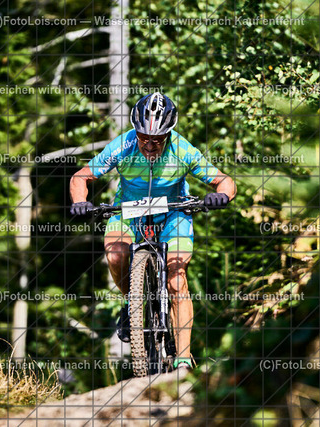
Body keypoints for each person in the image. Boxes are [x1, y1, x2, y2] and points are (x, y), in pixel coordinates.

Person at [69, 92, 236, 370]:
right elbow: (81, 177)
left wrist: (222, 195)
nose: (149, 145)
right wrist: (79, 202)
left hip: (173, 213)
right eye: (143, 137)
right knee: (116, 255)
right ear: (135, 131)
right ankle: (132, 304)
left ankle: (183, 358)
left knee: (177, 279)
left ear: (168, 134)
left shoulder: (182, 149)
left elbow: (225, 180)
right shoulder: (123, 145)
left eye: (157, 139)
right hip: (128, 211)